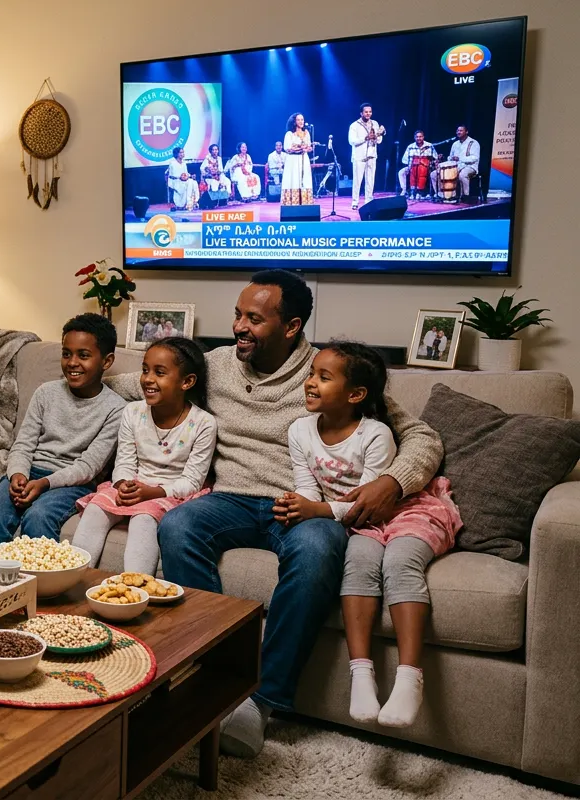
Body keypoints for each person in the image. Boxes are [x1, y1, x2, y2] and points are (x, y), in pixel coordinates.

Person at [158, 269, 443, 758]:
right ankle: (216, 671)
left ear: (290, 326)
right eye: (237, 315)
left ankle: (261, 701)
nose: (239, 327)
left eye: (254, 318)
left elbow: (422, 437)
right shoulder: (218, 365)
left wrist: (392, 481)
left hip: (301, 506)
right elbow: (144, 377)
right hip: (229, 498)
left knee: (318, 550)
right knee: (177, 524)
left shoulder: (332, 371)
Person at [276, 342, 461, 727]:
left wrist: (317, 510)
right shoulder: (299, 430)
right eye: (311, 373)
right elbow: (309, 488)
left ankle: (410, 677)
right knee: (357, 564)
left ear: (356, 394)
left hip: (405, 510)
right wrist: (300, 505)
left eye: (323, 377)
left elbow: (371, 499)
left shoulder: (376, 434)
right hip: (358, 522)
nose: (310, 383)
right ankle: (362, 674)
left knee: (398, 562)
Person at [0, 314, 126, 552]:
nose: (72, 362)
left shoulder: (117, 409)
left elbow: (88, 467)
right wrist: (17, 474)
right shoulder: (46, 393)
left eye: (83, 355)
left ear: (106, 361)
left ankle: (40, 587)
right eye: (66, 353)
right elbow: (23, 444)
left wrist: (45, 484)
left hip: (73, 482)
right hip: (30, 472)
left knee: (38, 517)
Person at [72, 337, 215, 575]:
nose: (148, 379)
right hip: (134, 483)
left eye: (159, 372)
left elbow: (192, 481)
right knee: (96, 508)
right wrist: (122, 484)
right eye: (145, 370)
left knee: (143, 517)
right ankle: (74, 577)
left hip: (171, 491)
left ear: (187, 382)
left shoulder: (203, 423)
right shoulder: (133, 412)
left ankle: (136, 589)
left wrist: (153, 493)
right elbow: (125, 461)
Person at [347, 103, 384, 210]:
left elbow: (380, 141)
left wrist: (377, 137)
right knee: (357, 181)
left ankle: (368, 200)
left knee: (370, 179)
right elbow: (352, 141)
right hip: (359, 156)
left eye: (370, 112)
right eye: (366, 112)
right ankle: (355, 201)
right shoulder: (355, 125)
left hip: (372, 155)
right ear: (361, 113)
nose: (368, 114)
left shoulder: (375, 123)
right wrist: (366, 138)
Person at [281, 114, 314, 206]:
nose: (301, 122)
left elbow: (309, 146)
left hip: (304, 159)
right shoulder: (289, 134)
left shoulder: (306, 133)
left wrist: (306, 148)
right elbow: (287, 148)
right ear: (294, 122)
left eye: (302, 119)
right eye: (298, 120)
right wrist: (300, 148)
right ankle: (292, 203)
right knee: (294, 178)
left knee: (305, 179)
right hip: (293, 160)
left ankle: (305, 202)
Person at [398, 131, 438, 198]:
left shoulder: (429, 146)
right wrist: (409, 166)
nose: (418, 138)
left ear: (423, 137)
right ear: (414, 138)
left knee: (422, 169)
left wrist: (430, 164)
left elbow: (435, 157)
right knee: (401, 172)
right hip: (412, 166)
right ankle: (404, 190)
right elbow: (404, 160)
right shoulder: (410, 147)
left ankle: (423, 192)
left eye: (420, 136)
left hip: (426, 167)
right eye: (417, 137)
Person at [448, 125, 480, 198]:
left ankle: (465, 195)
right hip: (457, 166)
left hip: (470, 166)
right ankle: (445, 195)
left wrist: (459, 158)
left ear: (466, 132)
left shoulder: (473, 143)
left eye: (461, 130)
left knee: (462, 175)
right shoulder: (455, 144)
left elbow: (475, 158)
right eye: (458, 131)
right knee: (436, 174)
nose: (459, 132)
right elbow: (450, 157)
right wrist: (450, 158)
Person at [167, 146, 198, 211]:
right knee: (190, 182)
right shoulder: (172, 163)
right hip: (175, 181)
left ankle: (194, 202)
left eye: (183, 152)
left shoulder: (184, 163)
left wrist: (190, 176)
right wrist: (182, 177)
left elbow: (185, 173)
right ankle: (188, 202)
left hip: (183, 180)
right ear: (176, 154)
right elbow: (172, 175)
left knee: (193, 182)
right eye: (180, 153)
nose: (182, 154)